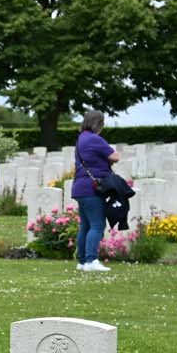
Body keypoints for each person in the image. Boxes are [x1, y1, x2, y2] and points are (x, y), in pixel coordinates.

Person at [71, 109, 121, 271]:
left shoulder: (80, 139)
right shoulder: (95, 139)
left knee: (85, 225)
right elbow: (115, 156)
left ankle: (82, 261)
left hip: (80, 187)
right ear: (98, 124)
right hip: (92, 188)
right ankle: (92, 261)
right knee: (97, 225)